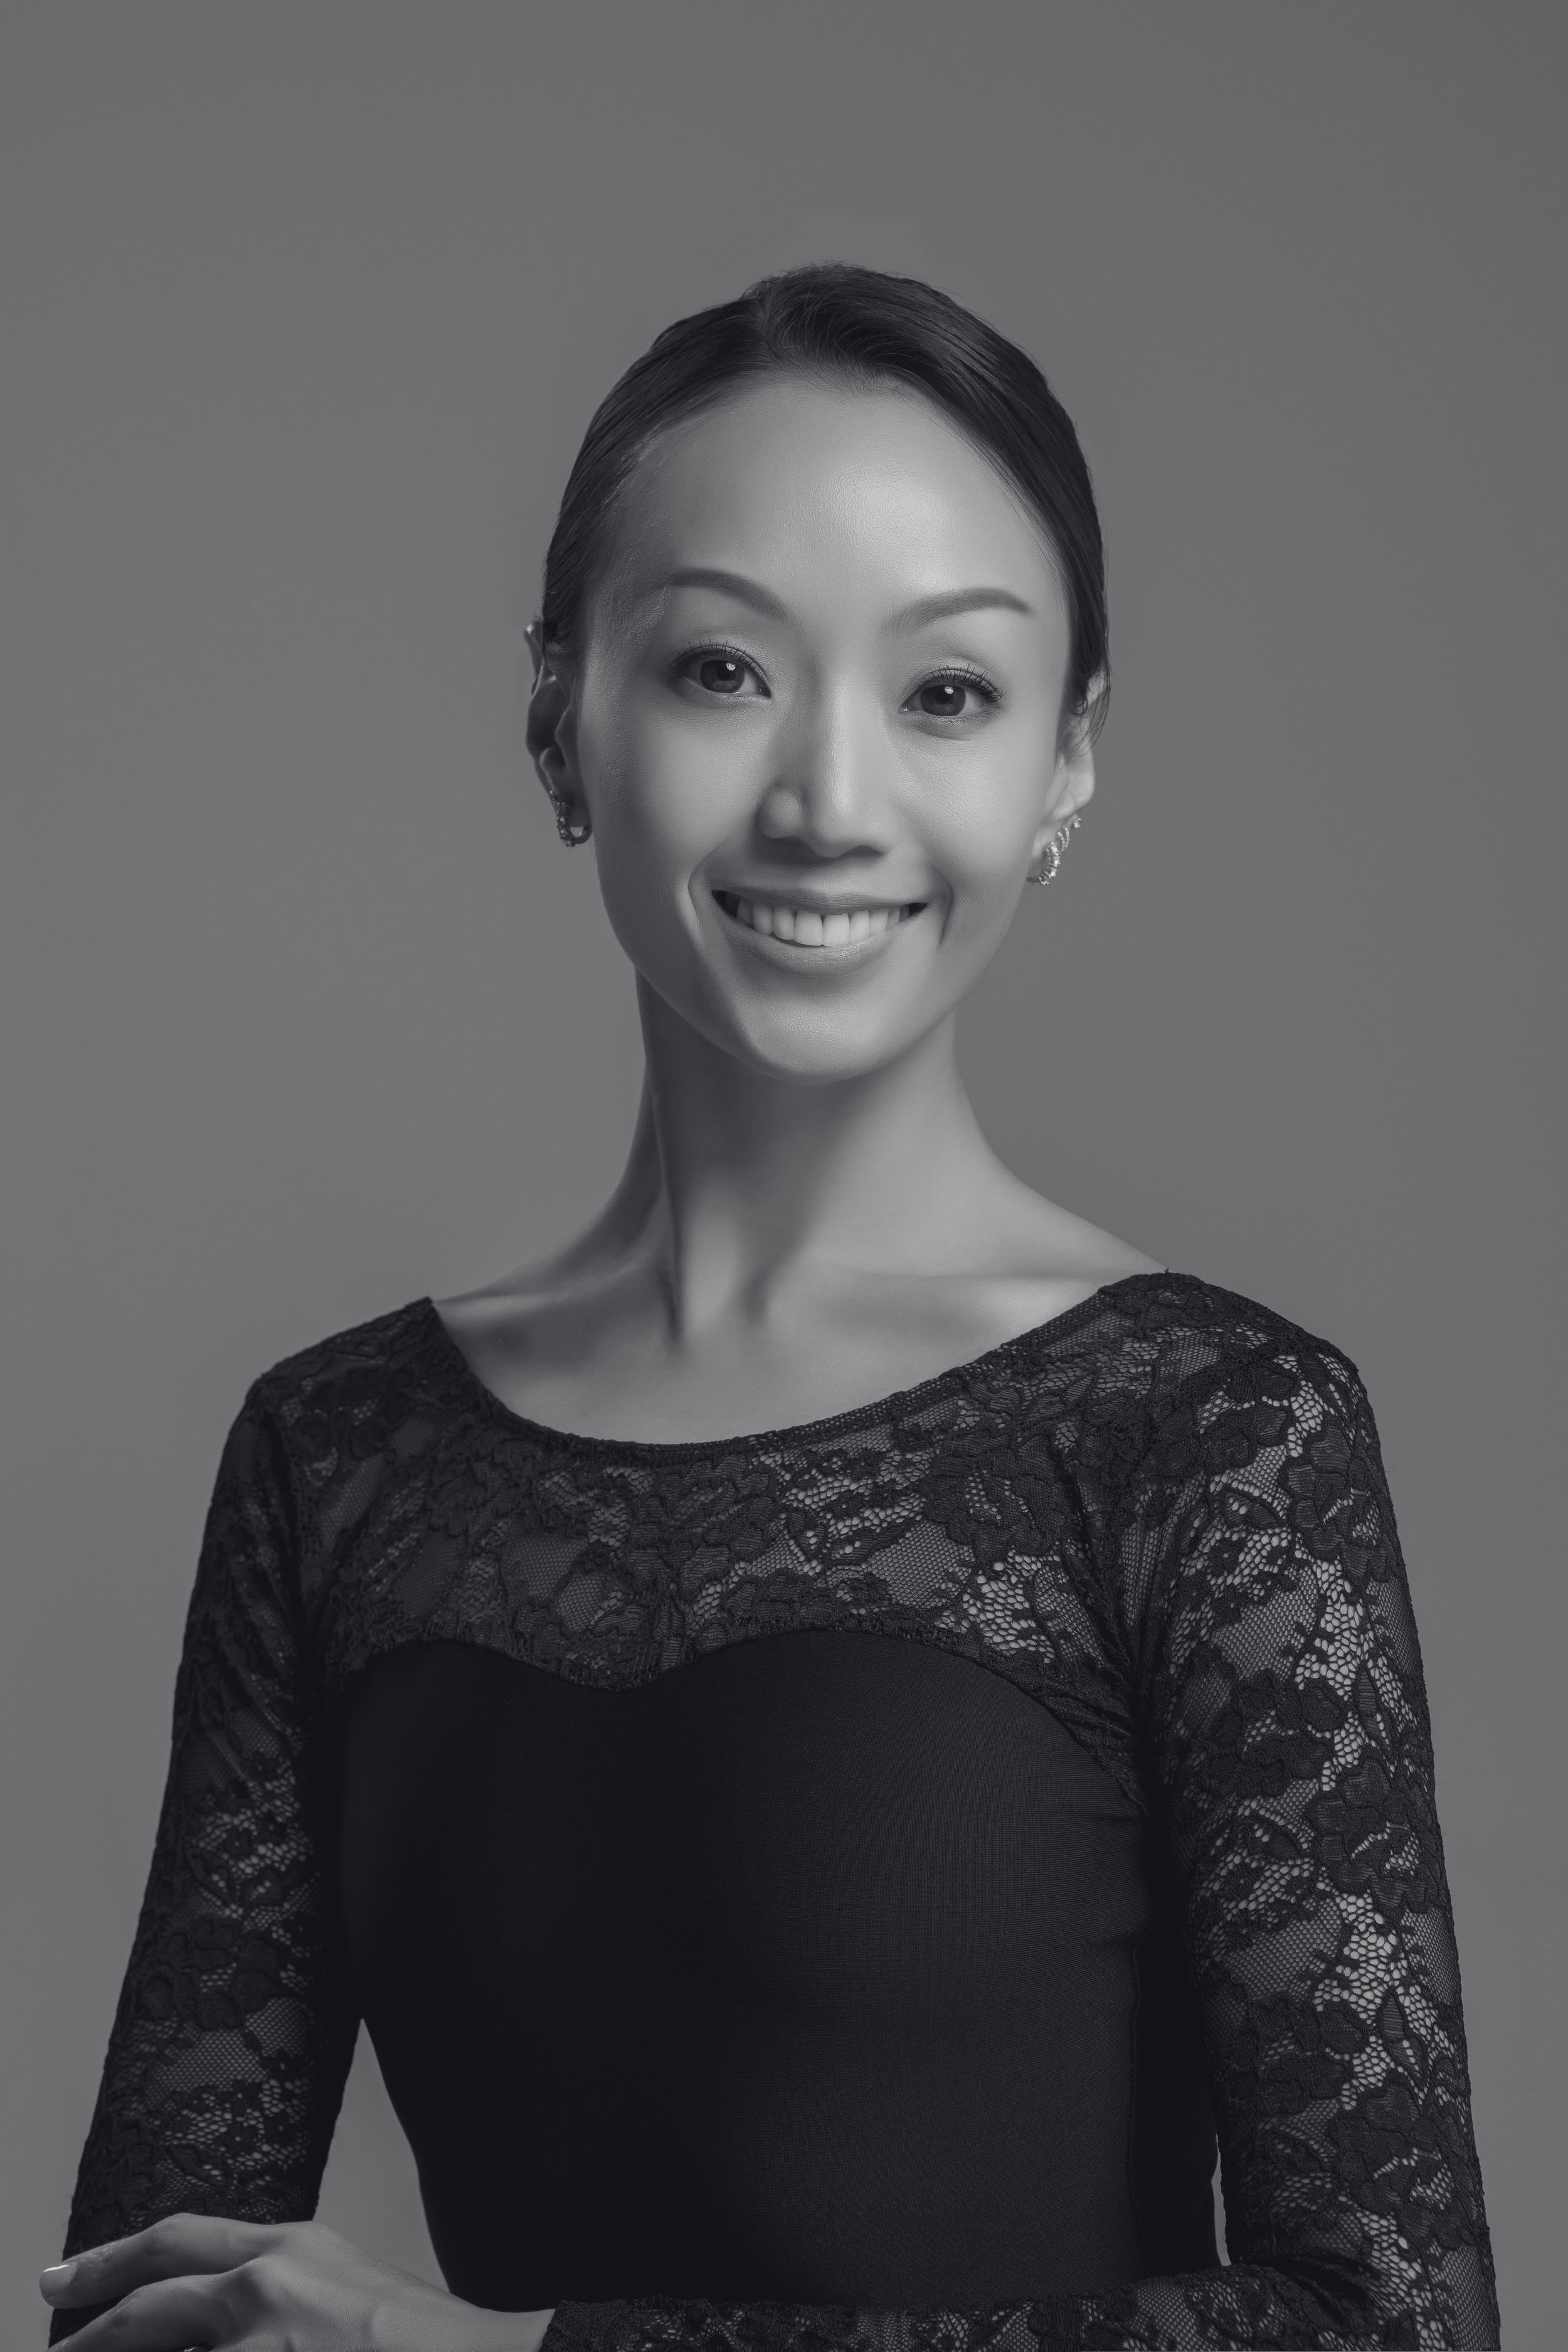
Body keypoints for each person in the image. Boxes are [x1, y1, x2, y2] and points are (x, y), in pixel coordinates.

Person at [41, 265, 1499, 2352]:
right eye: (721, 670)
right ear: (558, 714)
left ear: (1067, 761)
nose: (826, 800)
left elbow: (1388, 2328)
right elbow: (154, 2308)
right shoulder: (335, 1456)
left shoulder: (1209, 1430)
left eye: (946, 693)